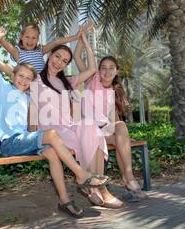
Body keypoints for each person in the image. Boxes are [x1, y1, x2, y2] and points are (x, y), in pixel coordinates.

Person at [0, 23, 108, 218]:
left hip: (26, 139)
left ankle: (65, 201)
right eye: (20, 76)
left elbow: (37, 107)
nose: (24, 81)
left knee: (51, 152)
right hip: (8, 142)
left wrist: (80, 38)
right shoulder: (3, 88)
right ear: (13, 75)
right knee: (50, 134)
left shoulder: (28, 94)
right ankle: (82, 175)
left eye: (28, 78)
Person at [31, 28, 124, 209]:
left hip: (70, 127)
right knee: (91, 137)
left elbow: (91, 69)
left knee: (92, 130)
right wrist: (34, 133)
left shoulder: (68, 81)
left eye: (65, 61)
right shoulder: (35, 80)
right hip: (53, 131)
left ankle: (96, 187)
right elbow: (32, 108)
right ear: (50, 55)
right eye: (57, 57)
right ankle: (98, 189)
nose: (59, 63)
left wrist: (84, 39)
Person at [74, 39, 148, 201]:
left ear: (117, 71)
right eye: (103, 68)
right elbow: (77, 56)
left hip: (104, 131)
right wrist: (83, 37)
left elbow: (113, 120)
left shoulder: (115, 91)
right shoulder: (91, 81)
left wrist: (124, 137)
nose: (107, 72)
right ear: (98, 70)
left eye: (111, 68)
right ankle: (128, 180)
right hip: (87, 131)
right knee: (121, 139)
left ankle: (128, 177)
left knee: (121, 128)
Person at [0, 23, 81, 73]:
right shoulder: (17, 52)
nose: (30, 41)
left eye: (34, 38)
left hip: (43, 84)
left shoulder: (40, 50)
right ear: (22, 37)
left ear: (37, 39)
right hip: (27, 85)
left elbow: (56, 42)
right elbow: (0, 40)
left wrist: (76, 37)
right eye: (27, 37)